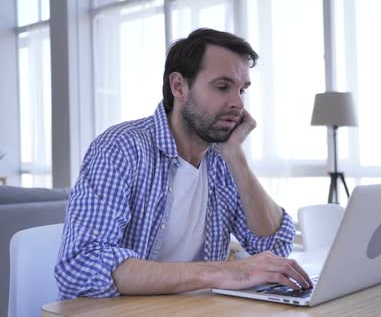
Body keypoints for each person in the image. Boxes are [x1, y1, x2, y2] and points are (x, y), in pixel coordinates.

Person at [54, 28, 312, 299]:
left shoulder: (222, 159)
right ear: (179, 86)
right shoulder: (121, 148)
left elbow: (275, 246)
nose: (238, 103)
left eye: (242, 90)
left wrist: (237, 156)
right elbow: (81, 265)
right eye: (222, 87)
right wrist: (222, 272)